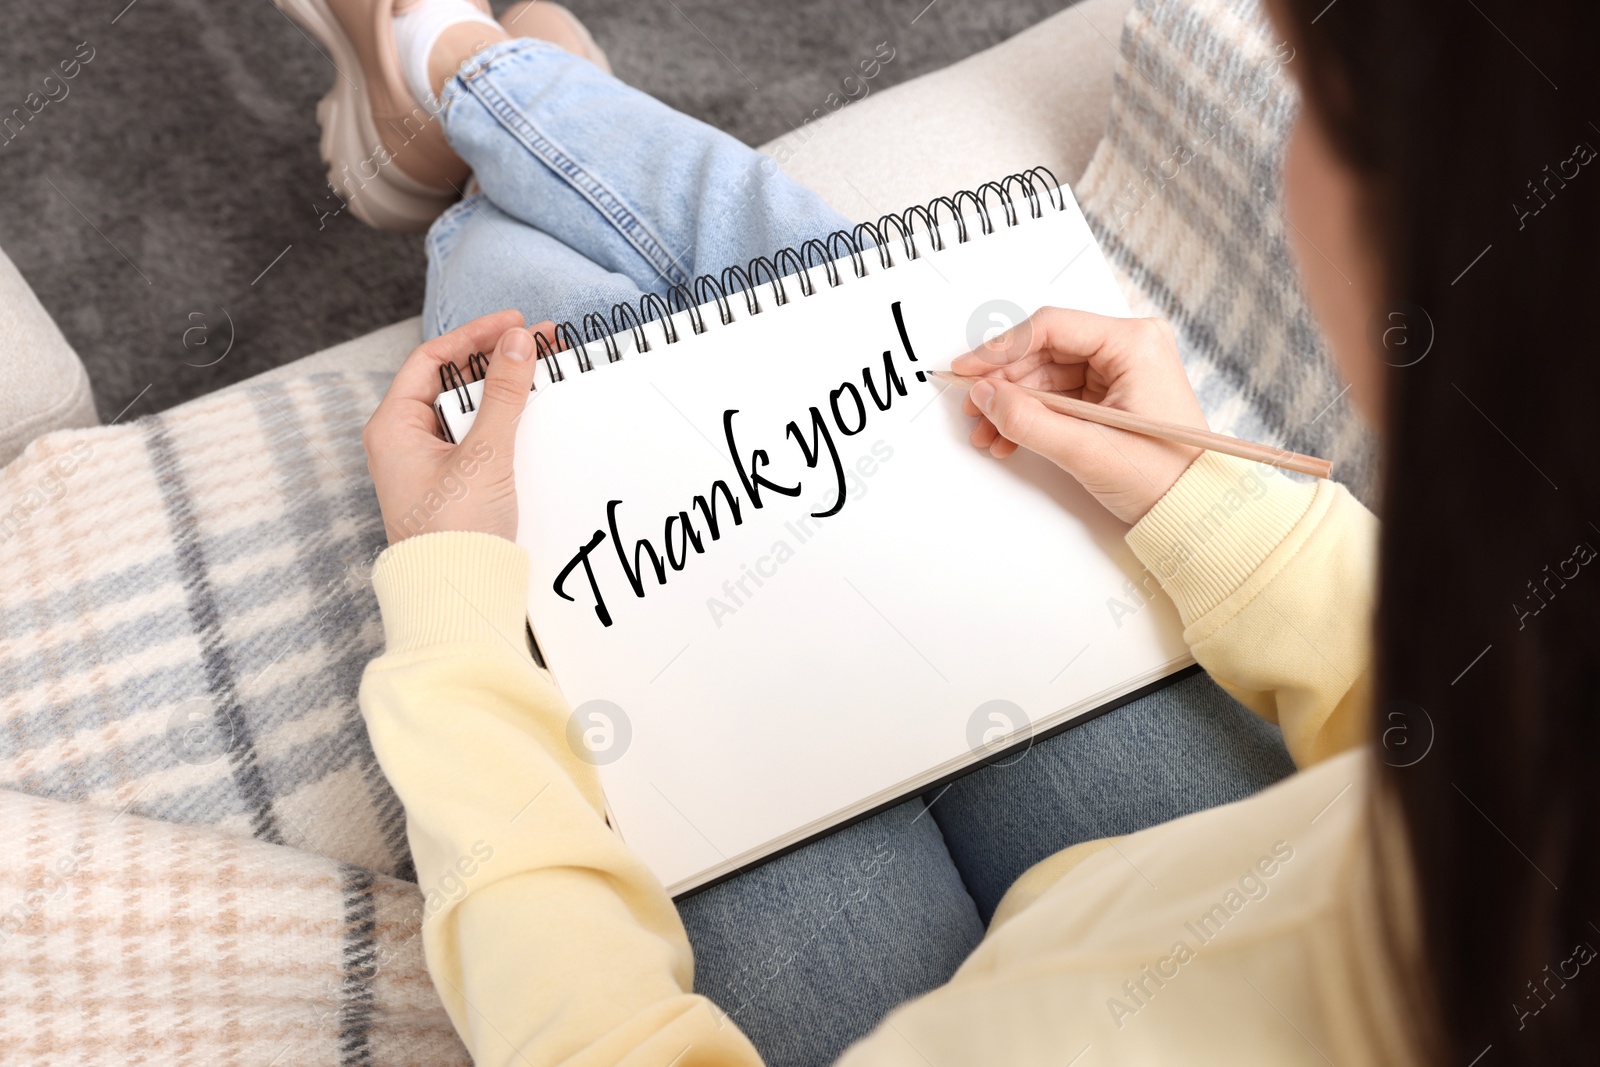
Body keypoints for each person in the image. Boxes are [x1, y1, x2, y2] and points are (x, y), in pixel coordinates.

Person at [281, 0, 1596, 1062]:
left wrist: (454, 624)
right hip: (1232, 873)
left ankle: (474, 84)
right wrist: (1208, 499)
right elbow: (1450, 714)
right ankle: (489, 84)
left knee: (540, 321)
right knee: (889, 370)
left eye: (1320, 98)